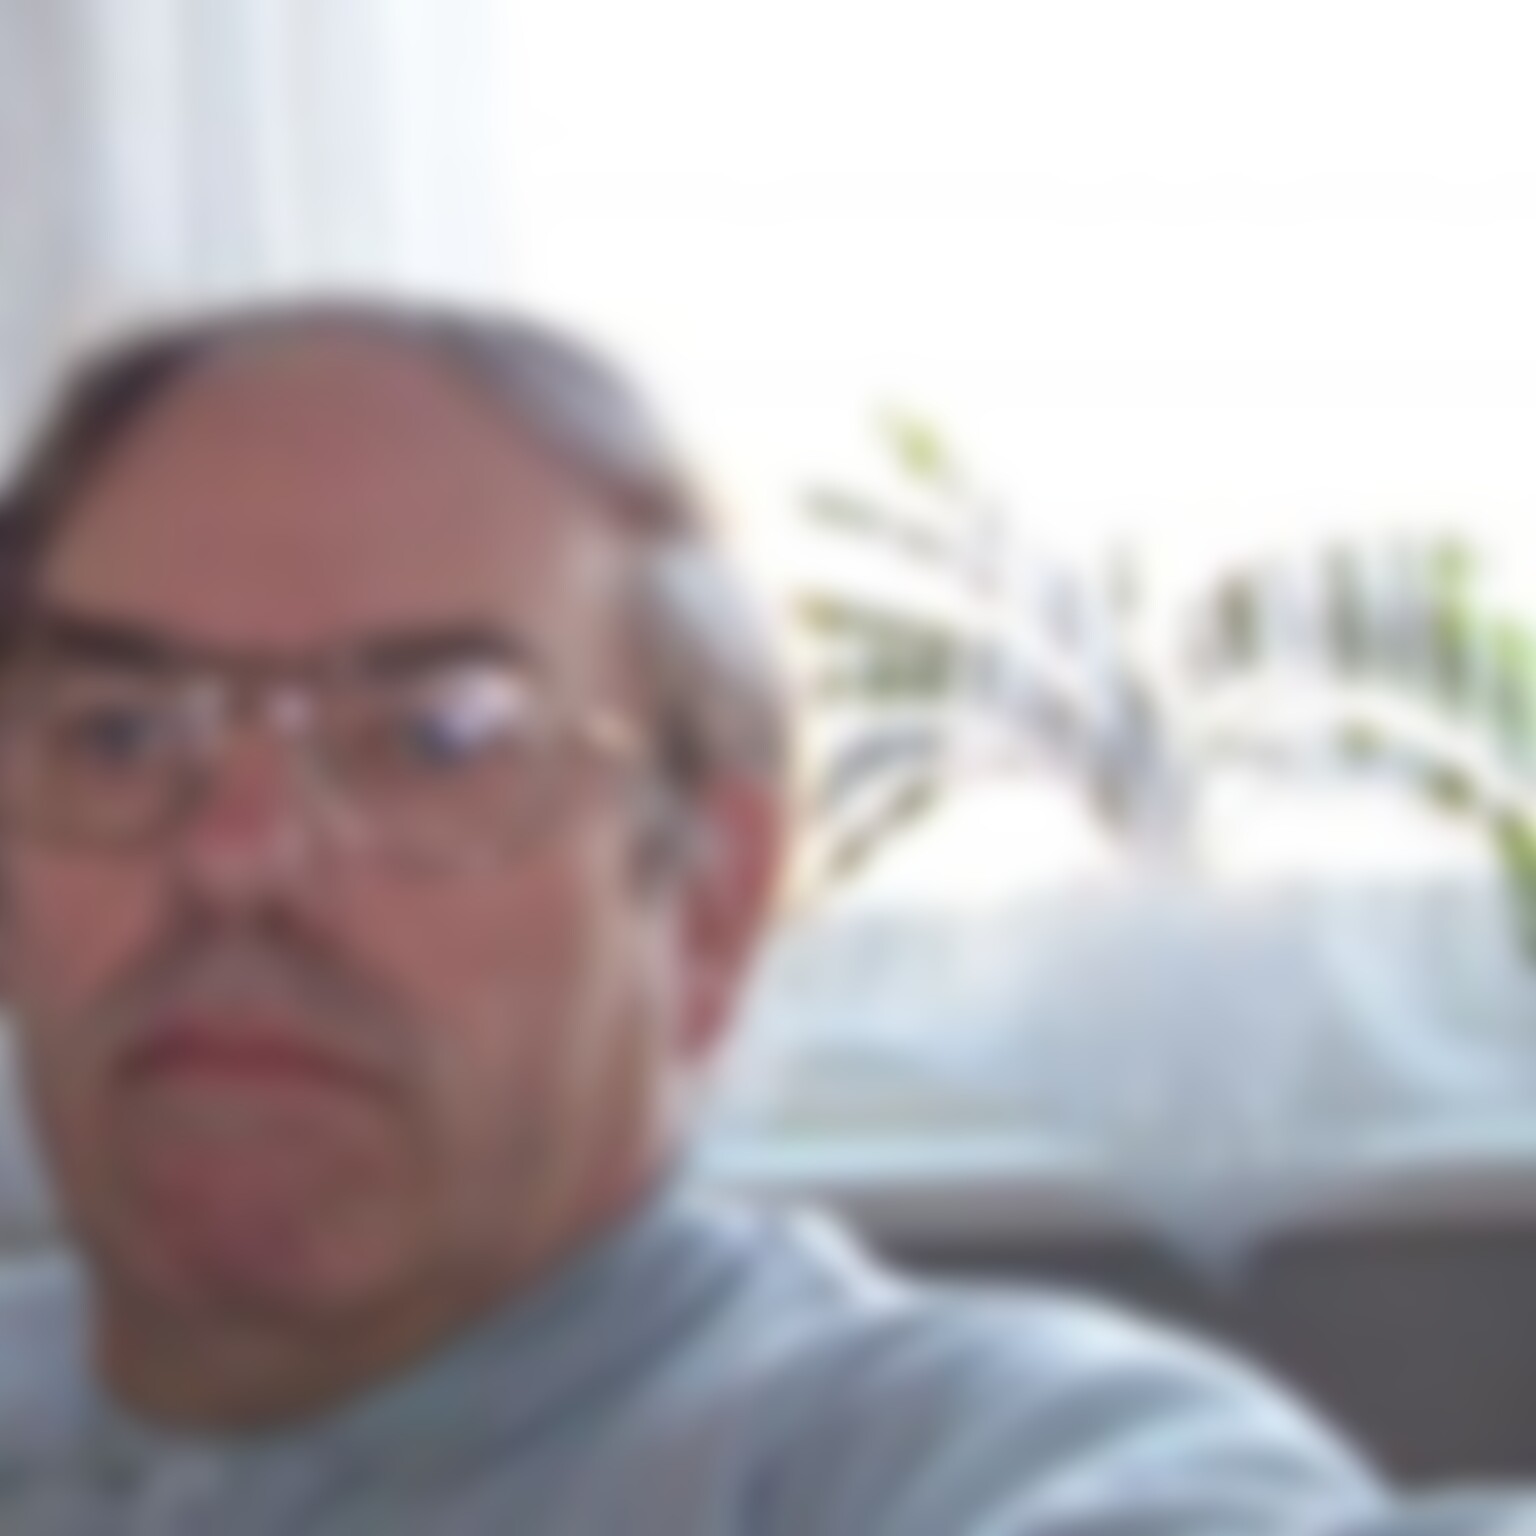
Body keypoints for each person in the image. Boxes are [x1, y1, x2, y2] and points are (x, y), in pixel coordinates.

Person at [0, 296, 1505, 1533]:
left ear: (707, 907)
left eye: (438, 738)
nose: (236, 855)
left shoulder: (925, 1455)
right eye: (117, 732)